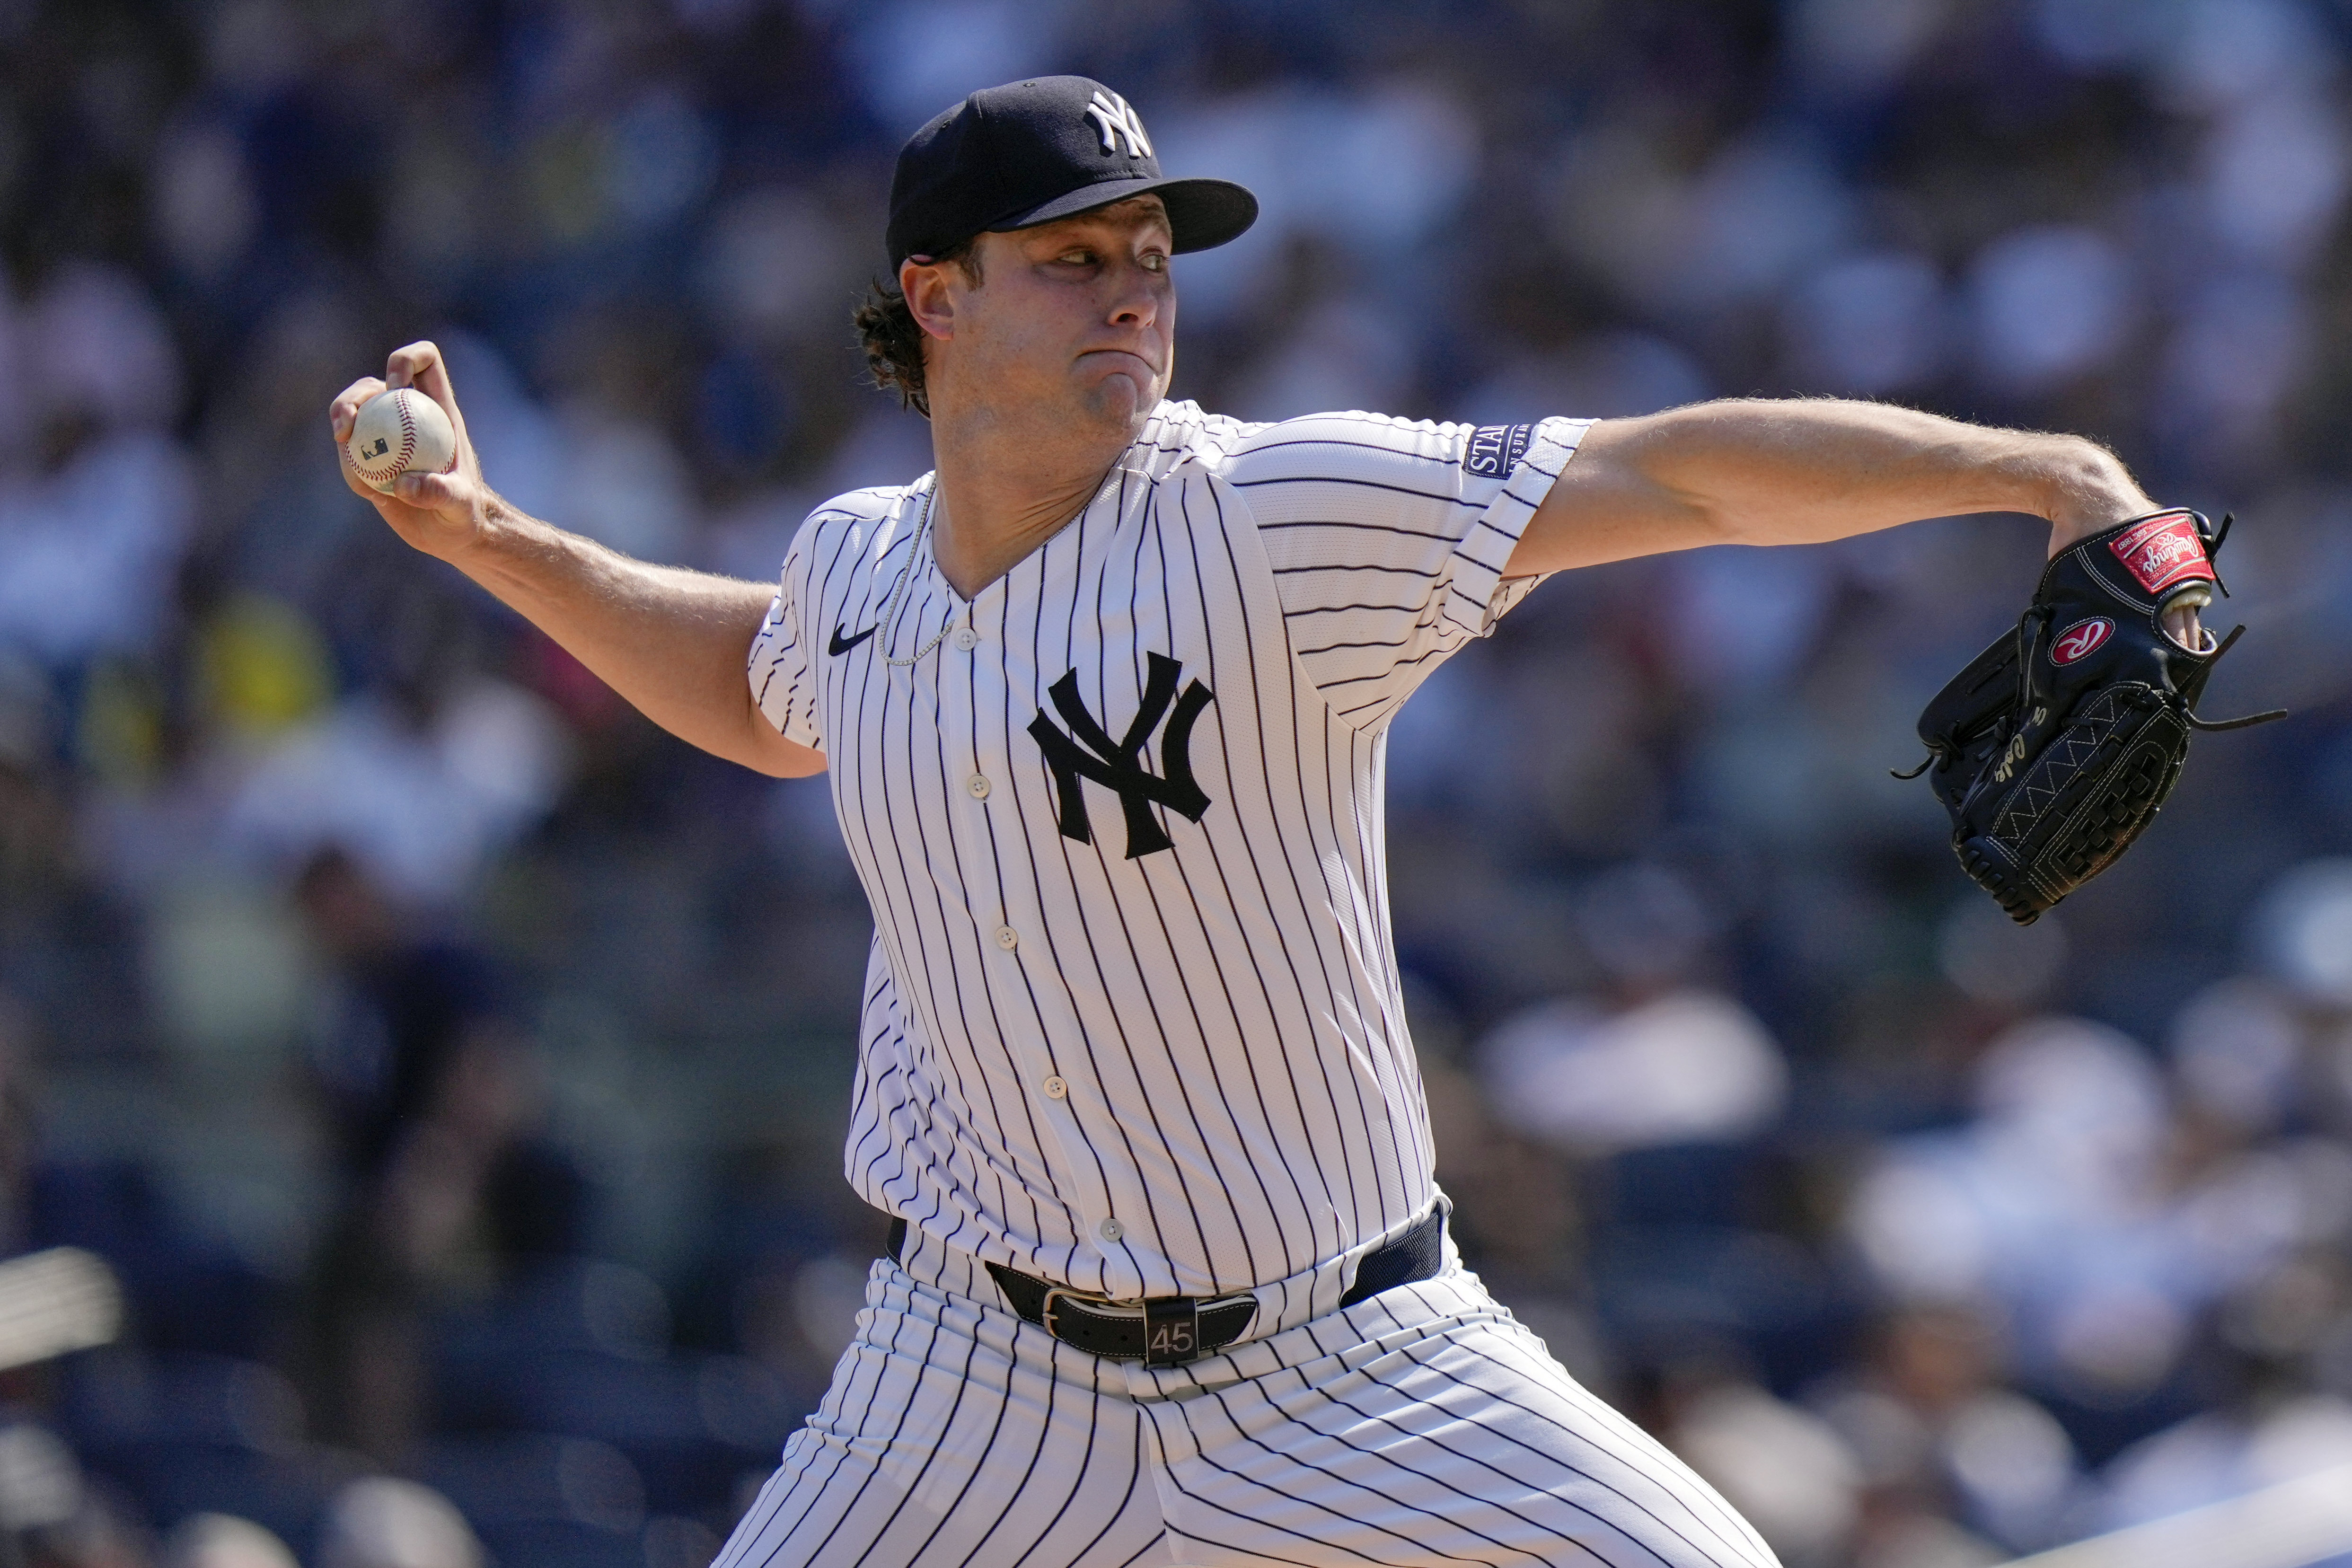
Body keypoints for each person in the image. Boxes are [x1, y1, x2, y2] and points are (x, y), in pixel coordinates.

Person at [327, 74, 2188, 1568]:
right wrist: (490, 540)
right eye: (1075, 256)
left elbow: (1662, 471)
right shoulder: (858, 574)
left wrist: (2041, 474)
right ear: (935, 294)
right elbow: (755, 689)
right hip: (971, 1377)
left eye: (1154, 249)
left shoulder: (1273, 517)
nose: (1136, 284)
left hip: (1352, 1353)